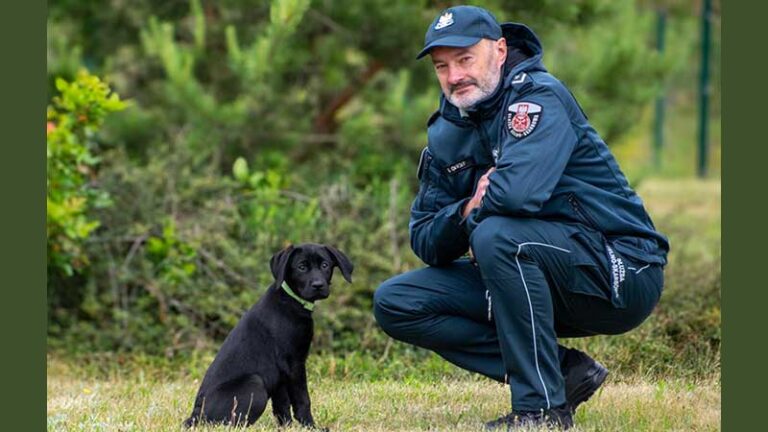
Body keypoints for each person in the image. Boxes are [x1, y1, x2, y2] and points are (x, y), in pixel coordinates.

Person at [373, 5, 669, 430]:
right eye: (442, 66)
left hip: (619, 268)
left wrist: (478, 219)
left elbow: (517, 195)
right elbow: (425, 239)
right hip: (524, 270)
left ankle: (540, 410)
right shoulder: (445, 131)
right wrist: (468, 207)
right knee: (396, 302)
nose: (454, 76)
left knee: (499, 236)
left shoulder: (538, 97)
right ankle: (564, 374)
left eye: (465, 59)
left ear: (499, 49)